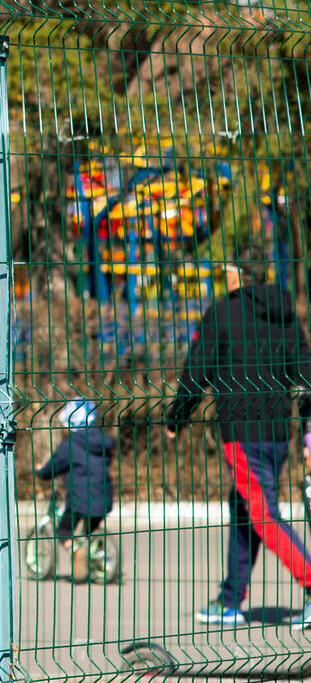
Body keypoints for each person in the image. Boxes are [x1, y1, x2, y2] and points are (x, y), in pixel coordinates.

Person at [166, 255, 311, 626]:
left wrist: (177, 416)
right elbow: (305, 369)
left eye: (227, 272)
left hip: (242, 429)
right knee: (245, 508)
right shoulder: (287, 312)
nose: (224, 278)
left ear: (239, 276)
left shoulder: (223, 312)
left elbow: (198, 369)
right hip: (279, 429)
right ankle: (231, 599)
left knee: (262, 514)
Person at [35, 397, 115, 583]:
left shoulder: (69, 444)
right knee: (92, 529)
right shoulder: (104, 442)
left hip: (80, 497)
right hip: (103, 496)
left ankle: (76, 550)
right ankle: (100, 560)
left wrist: (40, 472)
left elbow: (53, 467)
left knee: (64, 530)